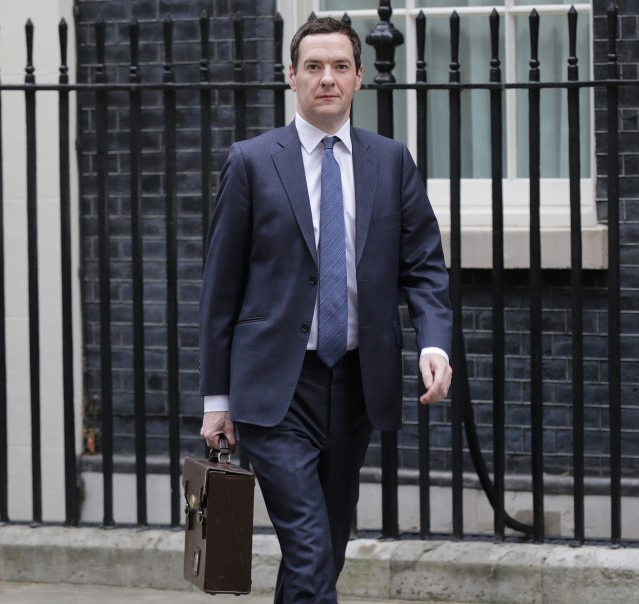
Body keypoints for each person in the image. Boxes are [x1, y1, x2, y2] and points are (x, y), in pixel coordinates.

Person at [198, 16, 453, 603]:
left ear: (359, 77)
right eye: (313, 66)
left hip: (358, 384)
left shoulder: (391, 162)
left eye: (340, 66)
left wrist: (434, 344)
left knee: (325, 550)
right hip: (276, 392)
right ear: (292, 76)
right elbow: (220, 290)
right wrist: (217, 401)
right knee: (311, 546)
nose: (327, 79)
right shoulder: (253, 161)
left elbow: (424, 266)